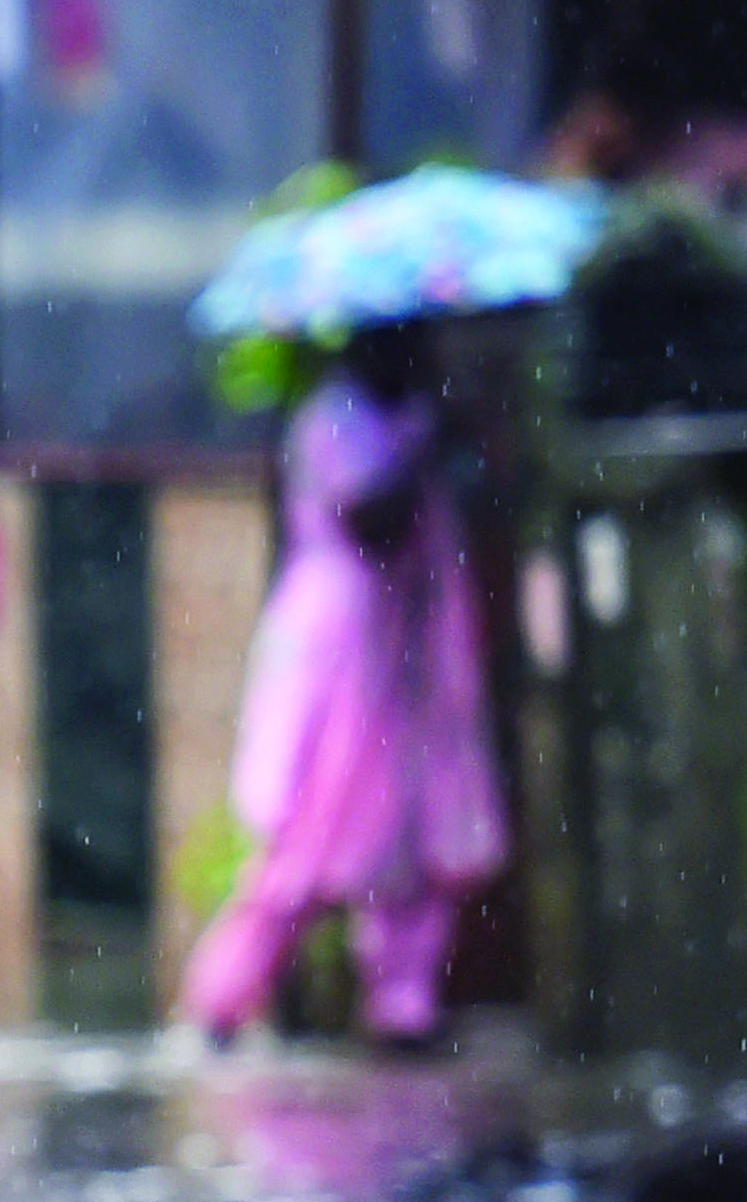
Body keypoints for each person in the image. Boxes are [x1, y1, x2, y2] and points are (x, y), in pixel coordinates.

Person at [177, 320, 509, 1051]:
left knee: (416, 847)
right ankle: (221, 1003)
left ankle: (403, 1009)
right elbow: (371, 519)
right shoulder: (333, 420)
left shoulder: (416, 415)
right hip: (344, 657)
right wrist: (426, 444)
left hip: (413, 663)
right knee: (307, 842)